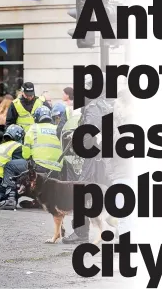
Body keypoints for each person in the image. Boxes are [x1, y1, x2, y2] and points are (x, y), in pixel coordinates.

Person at [62, 73, 113, 244]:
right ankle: (124, 228)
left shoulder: (93, 107)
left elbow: (89, 135)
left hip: (94, 159)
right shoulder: (107, 105)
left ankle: (81, 232)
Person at [23, 106, 63, 179]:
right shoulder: (57, 128)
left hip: (39, 167)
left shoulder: (33, 128)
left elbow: (26, 154)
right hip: (57, 168)